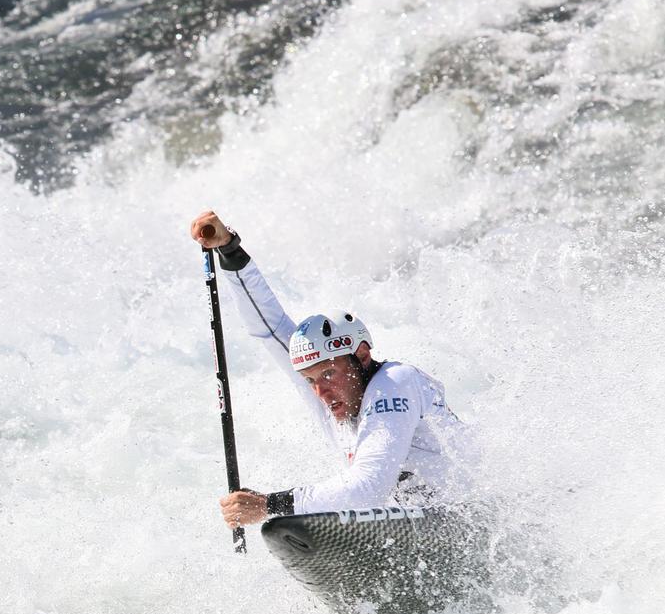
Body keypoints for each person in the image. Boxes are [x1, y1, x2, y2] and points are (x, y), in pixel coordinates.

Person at [189, 210, 470, 531]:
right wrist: (229, 250)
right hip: (421, 519)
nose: (320, 392)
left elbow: (368, 488)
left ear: (362, 356)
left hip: (473, 518)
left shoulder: (396, 383)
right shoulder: (335, 394)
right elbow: (270, 328)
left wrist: (269, 505)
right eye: (310, 381)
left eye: (327, 375)